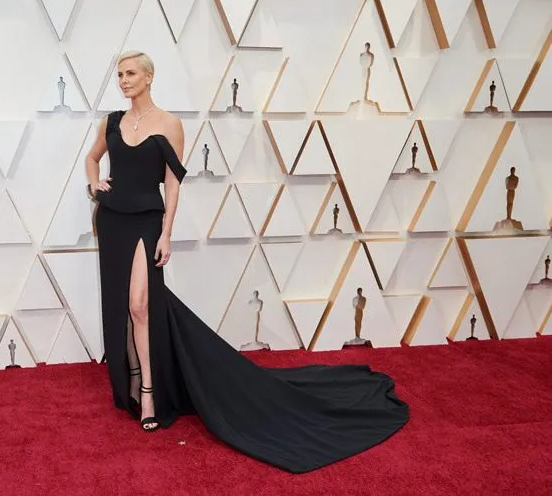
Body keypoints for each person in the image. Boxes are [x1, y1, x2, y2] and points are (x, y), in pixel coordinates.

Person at [84, 50, 409, 474]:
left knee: (141, 305)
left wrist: (166, 233)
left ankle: (149, 393)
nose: (123, 80)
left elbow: (172, 185)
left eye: (130, 73)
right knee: (123, 306)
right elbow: (92, 158)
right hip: (112, 221)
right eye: (120, 74)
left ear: (149, 77)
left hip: (147, 221)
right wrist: (94, 185)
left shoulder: (170, 124)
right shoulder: (111, 122)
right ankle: (130, 378)